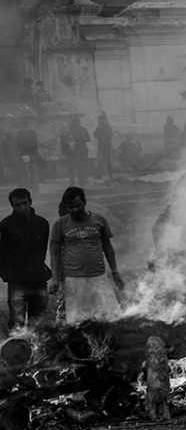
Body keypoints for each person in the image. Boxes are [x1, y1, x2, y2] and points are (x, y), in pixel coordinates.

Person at [48, 186, 123, 323]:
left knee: (110, 316)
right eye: (71, 207)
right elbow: (54, 253)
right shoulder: (60, 224)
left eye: (78, 205)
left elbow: (107, 247)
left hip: (98, 276)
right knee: (78, 321)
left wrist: (115, 272)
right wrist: (55, 279)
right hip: (74, 279)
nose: (75, 210)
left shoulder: (99, 220)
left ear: (84, 202)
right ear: (66, 207)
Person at [1, 188, 51, 329]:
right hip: (17, 280)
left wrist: (38, 268)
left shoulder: (42, 223)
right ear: (13, 206)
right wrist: (6, 273)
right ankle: (16, 349)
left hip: (38, 279)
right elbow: (2, 252)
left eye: (25, 203)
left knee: (38, 323)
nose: (22, 208)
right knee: (17, 322)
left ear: (31, 202)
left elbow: (42, 249)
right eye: (18, 205)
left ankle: (38, 350)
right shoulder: (6, 225)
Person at [63, 116, 91, 185]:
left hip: (81, 151)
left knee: (81, 167)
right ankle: (74, 181)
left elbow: (88, 139)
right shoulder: (69, 131)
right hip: (73, 151)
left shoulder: (83, 130)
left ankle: (81, 180)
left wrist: (81, 138)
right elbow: (67, 141)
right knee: (73, 167)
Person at [14, 121, 40, 190]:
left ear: (22, 125)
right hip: (33, 154)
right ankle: (35, 188)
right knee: (34, 171)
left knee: (26, 172)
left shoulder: (20, 133)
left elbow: (19, 144)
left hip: (24, 154)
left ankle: (27, 187)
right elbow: (36, 143)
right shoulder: (33, 132)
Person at [94, 113, 114, 181]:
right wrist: (98, 129)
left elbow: (109, 136)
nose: (99, 122)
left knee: (108, 161)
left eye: (100, 121)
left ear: (104, 120)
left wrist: (101, 129)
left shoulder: (108, 127)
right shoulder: (98, 127)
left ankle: (110, 175)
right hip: (100, 147)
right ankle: (99, 175)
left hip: (107, 147)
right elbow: (95, 135)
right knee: (99, 161)